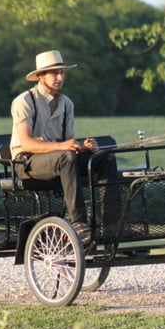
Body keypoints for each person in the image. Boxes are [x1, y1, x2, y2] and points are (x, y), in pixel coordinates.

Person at [9, 50, 101, 242]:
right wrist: (64, 147)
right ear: (41, 76)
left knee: (103, 158)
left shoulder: (67, 104)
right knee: (66, 157)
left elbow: (69, 144)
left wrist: (84, 147)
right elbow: (26, 142)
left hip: (58, 160)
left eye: (62, 73)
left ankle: (112, 222)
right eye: (54, 73)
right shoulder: (25, 101)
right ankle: (78, 222)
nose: (59, 77)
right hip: (26, 162)